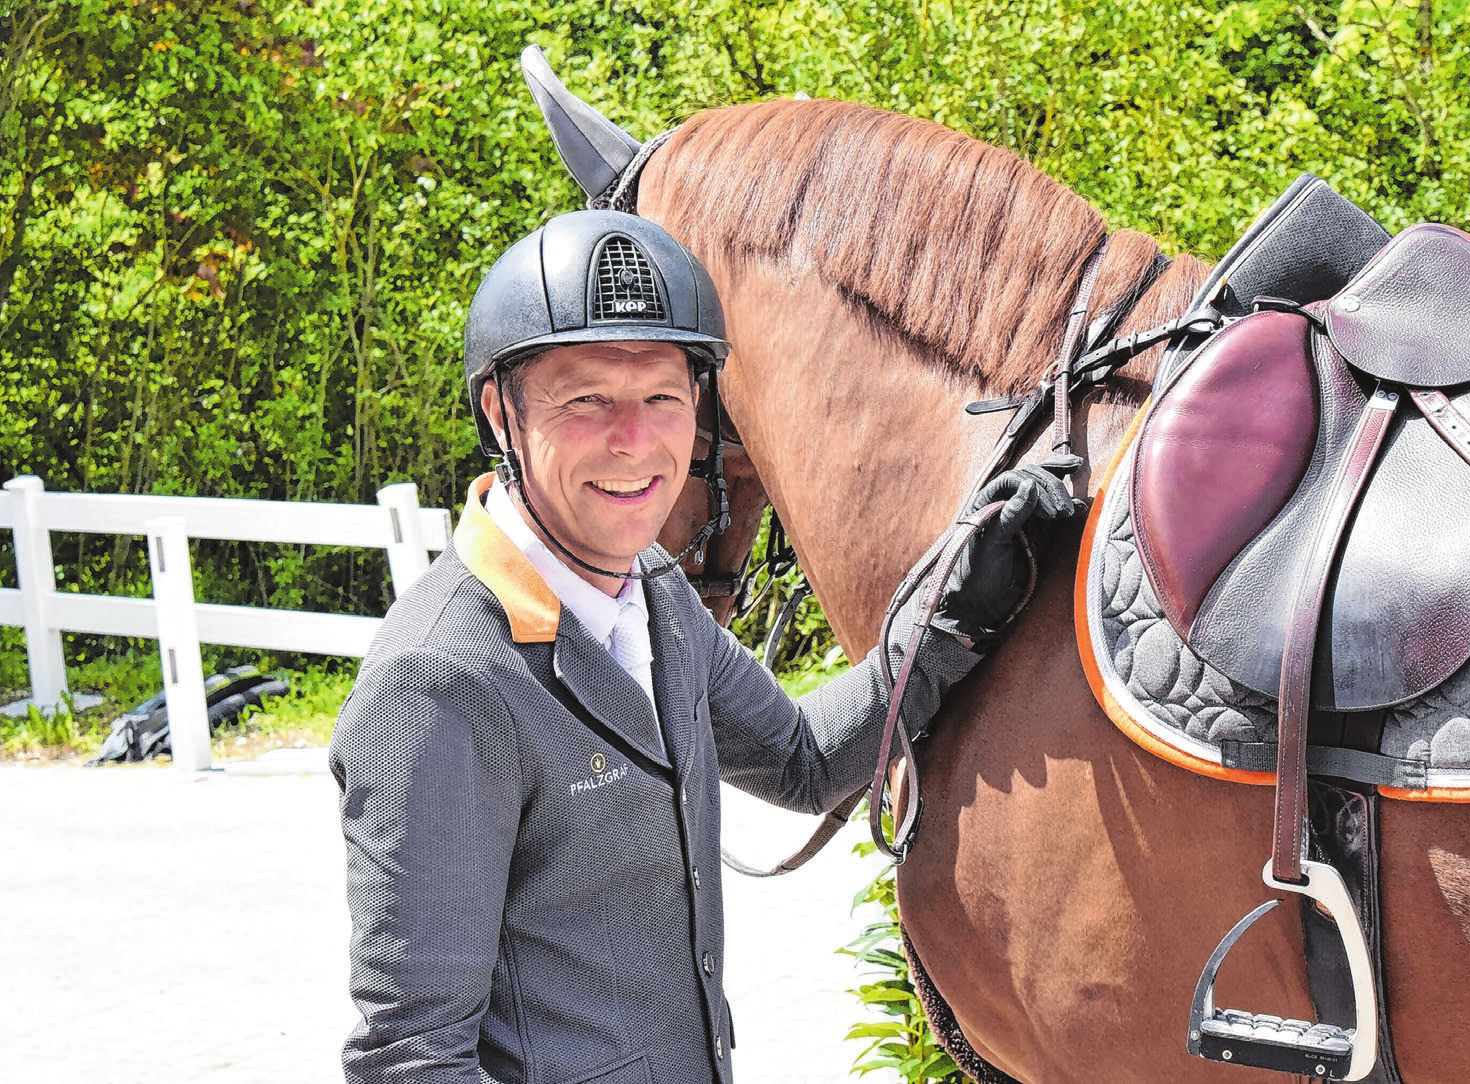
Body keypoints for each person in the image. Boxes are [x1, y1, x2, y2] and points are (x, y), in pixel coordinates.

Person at [329, 209, 1079, 1084]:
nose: (634, 439)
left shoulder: (654, 591)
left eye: (661, 398)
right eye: (586, 401)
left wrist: (948, 611)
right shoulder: (441, 681)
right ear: (502, 409)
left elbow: (802, 762)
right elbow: (410, 1057)